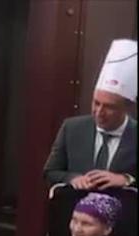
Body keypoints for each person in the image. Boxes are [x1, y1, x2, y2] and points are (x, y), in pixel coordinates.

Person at [44, 39, 137, 189]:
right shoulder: (72, 128)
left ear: (128, 107)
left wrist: (126, 179)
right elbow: (50, 171)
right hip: (74, 209)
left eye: (109, 107)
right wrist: (73, 178)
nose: (99, 112)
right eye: (96, 103)